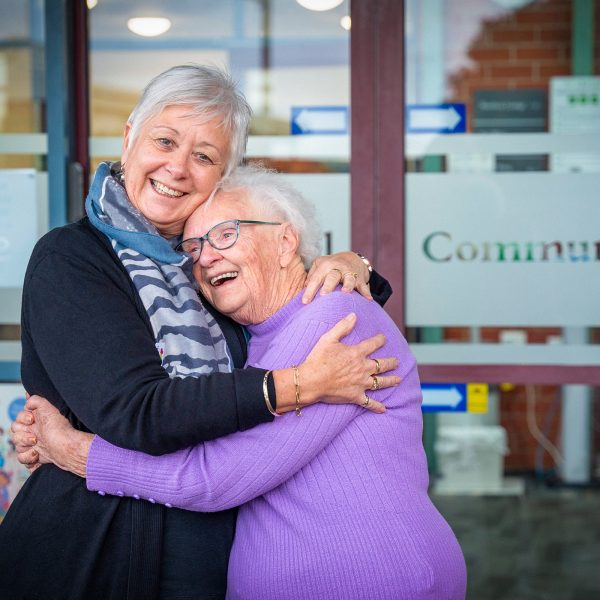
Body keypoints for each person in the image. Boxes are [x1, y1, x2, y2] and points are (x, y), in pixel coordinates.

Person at [0, 65, 399, 600]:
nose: (178, 168)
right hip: (92, 555)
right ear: (128, 140)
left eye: (204, 156)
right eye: (165, 141)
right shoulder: (72, 259)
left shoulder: (208, 273)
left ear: (222, 177)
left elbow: (288, 308)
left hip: (207, 554)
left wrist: (352, 265)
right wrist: (293, 386)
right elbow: (136, 412)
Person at [15, 166, 467, 600]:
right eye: (192, 249)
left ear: (286, 240)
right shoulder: (246, 341)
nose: (206, 256)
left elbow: (215, 478)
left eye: (225, 234)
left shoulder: (334, 319)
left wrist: (74, 451)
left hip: (370, 583)